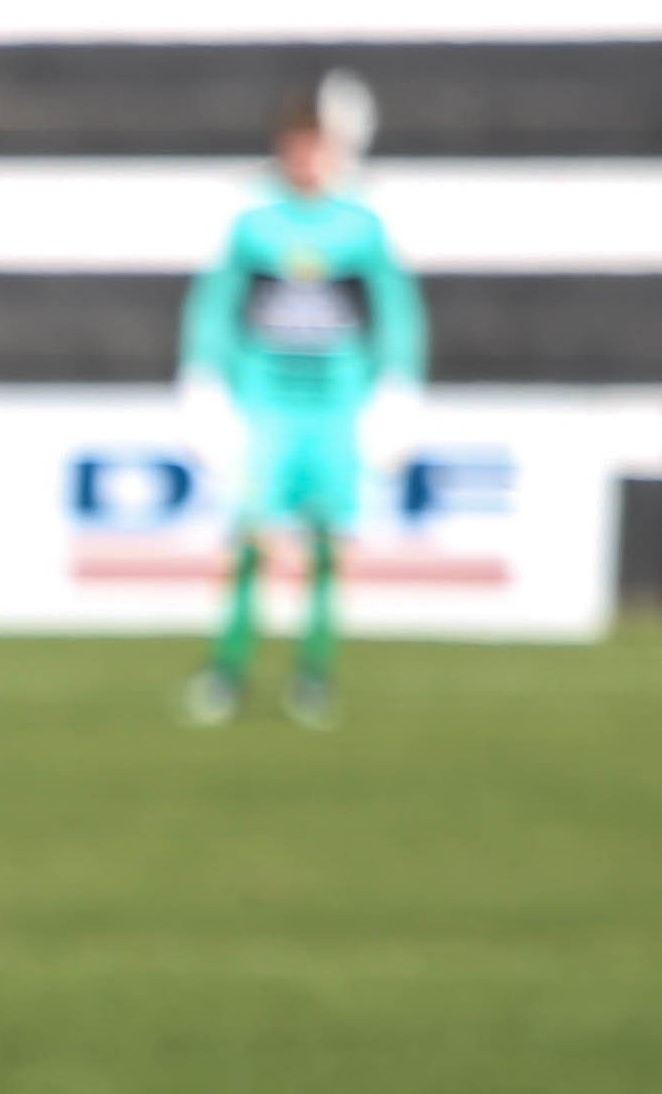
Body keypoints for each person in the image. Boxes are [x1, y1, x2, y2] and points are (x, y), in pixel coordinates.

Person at [179, 85, 425, 730]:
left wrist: (399, 384)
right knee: (251, 538)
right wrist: (203, 376)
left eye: (315, 147)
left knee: (327, 543)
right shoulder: (256, 224)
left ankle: (313, 674)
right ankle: (227, 671)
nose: (305, 160)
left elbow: (395, 310)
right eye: (295, 147)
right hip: (268, 403)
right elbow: (216, 303)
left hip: (336, 406)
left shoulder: (358, 225)